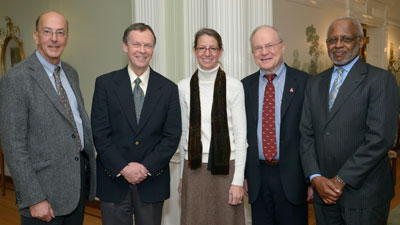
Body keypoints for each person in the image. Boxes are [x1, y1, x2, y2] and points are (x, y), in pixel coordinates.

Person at [300, 16, 399, 225]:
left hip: (364, 194)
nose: (338, 45)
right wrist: (315, 177)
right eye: (332, 40)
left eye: (346, 39)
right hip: (323, 193)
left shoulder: (380, 80)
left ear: (360, 42)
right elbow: (306, 134)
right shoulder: (315, 83)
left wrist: (339, 180)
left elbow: (380, 138)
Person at [0, 11, 96, 225]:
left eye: (60, 33)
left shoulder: (71, 73)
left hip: (75, 188)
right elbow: (13, 145)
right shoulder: (16, 79)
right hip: (43, 193)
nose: (54, 38)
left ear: (67, 38)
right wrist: (35, 198)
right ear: (36, 36)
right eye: (48, 32)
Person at [91, 23, 181, 225]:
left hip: (151, 182)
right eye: (136, 44)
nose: (142, 50)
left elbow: (171, 136)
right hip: (113, 181)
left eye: (148, 45)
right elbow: (100, 133)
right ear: (125, 46)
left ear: (153, 49)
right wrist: (123, 167)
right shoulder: (105, 84)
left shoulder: (168, 89)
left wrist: (145, 167)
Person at [241, 25, 311, 225]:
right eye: (258, 48)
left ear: (282, 47)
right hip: (257, 178)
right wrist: (244, 175)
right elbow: (241, 135)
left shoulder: (305, 83)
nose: (264, 52)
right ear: (253, 52)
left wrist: (312, 179)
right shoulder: (244, 86)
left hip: (294, 177)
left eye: (270, 45)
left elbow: (312, 135)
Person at [177, 28, 247, 225]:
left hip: (227, 169)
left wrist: (238, 181)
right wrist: (183, 177)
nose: (207, 53)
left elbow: (241, 138)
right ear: (194, 51)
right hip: (194, 169)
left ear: (220, 52)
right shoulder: (182, 87)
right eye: (202, 48)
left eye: (212, 48)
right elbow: (184, 134)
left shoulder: (234, 86)